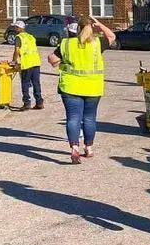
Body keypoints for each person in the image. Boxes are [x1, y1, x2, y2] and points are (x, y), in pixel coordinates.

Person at [47, 16, 116, 164]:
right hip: (93, 87)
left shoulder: (66, 44)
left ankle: (74, 149)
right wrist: (99, 24)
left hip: (70, 87)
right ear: (91, 29)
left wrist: (61, 61)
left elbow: (52, 60)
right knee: (89, 118)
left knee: (73, 118)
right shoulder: (97, 43)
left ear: (78, 29)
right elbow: (112, 36)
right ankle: (89, 148)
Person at [11, 20, 43, 111]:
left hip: (27, 63)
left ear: (18, 28)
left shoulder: (18, 37)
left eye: (15, 27)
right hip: (36, 62)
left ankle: (27, 103)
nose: (14, 29)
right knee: (36, 83)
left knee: (25, 83)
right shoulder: (31, 36)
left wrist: (14, 61)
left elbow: (17, 50)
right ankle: (39, 102)